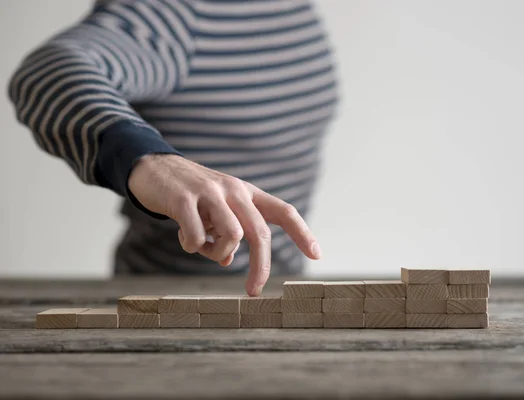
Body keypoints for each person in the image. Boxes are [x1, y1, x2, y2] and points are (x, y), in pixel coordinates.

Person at [7, 0, 338, 296]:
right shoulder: (176, 12)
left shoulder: (295, 8)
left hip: (277, 296)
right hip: (173, 306)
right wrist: (153, 161)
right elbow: (49, 72)